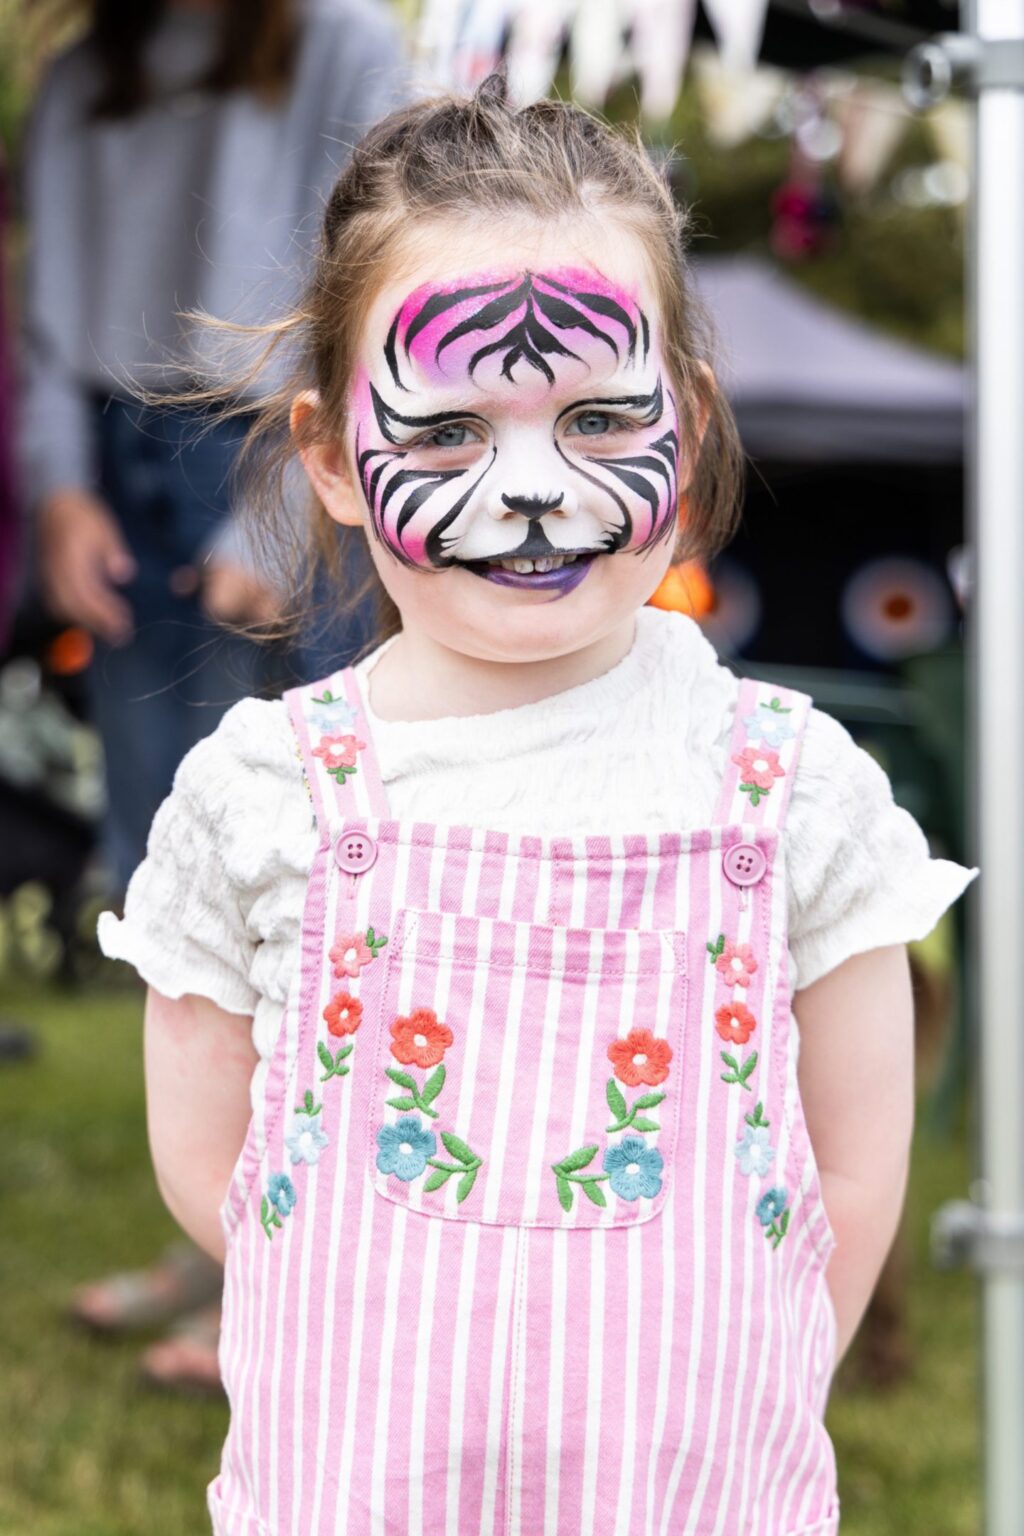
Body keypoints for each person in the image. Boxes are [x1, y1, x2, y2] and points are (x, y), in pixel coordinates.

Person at [98, 78, 975, 1533]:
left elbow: (852, 1183)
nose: (526, 489)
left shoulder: (796, 793)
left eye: (599, 417)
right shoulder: (264, 799)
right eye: (443, 434)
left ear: (684, 430)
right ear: (329, 456)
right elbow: (215, 1175)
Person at [20, 0, 403, 1391]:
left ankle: (309, 1278)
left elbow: (371, 287)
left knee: (311, 887)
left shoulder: (345, 45)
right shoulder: (83, 78)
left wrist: (278, 519)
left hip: (286, 450)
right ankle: (222, 1245)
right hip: (122, 462)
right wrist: (58, 493)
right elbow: (56, 324)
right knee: (172, 884)